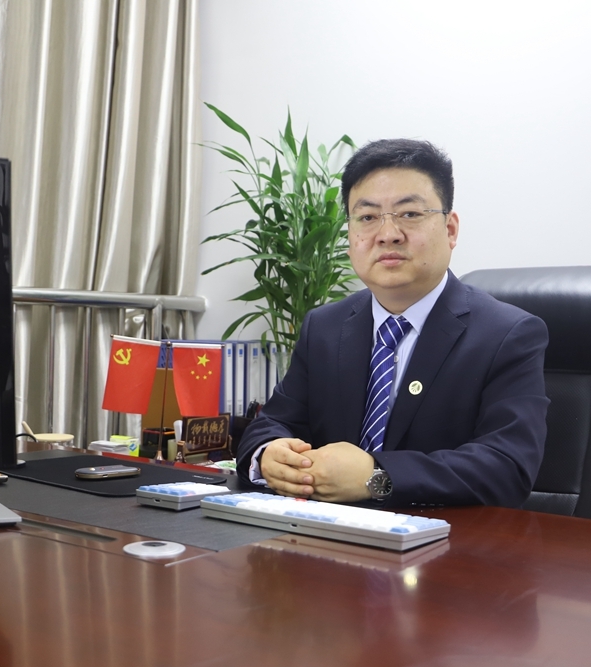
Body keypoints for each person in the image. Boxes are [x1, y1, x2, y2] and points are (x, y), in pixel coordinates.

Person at [235, 139, 549, 508]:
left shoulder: (507, 335)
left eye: (409, 214)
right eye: (367, 217)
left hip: (443, 537)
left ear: (450, 229)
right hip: (321, 533)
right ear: (350, 235)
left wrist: (377, 476)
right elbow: (273, 423)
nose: (388, 234)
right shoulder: (325, 327)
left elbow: (507, 466)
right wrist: (269, 454)